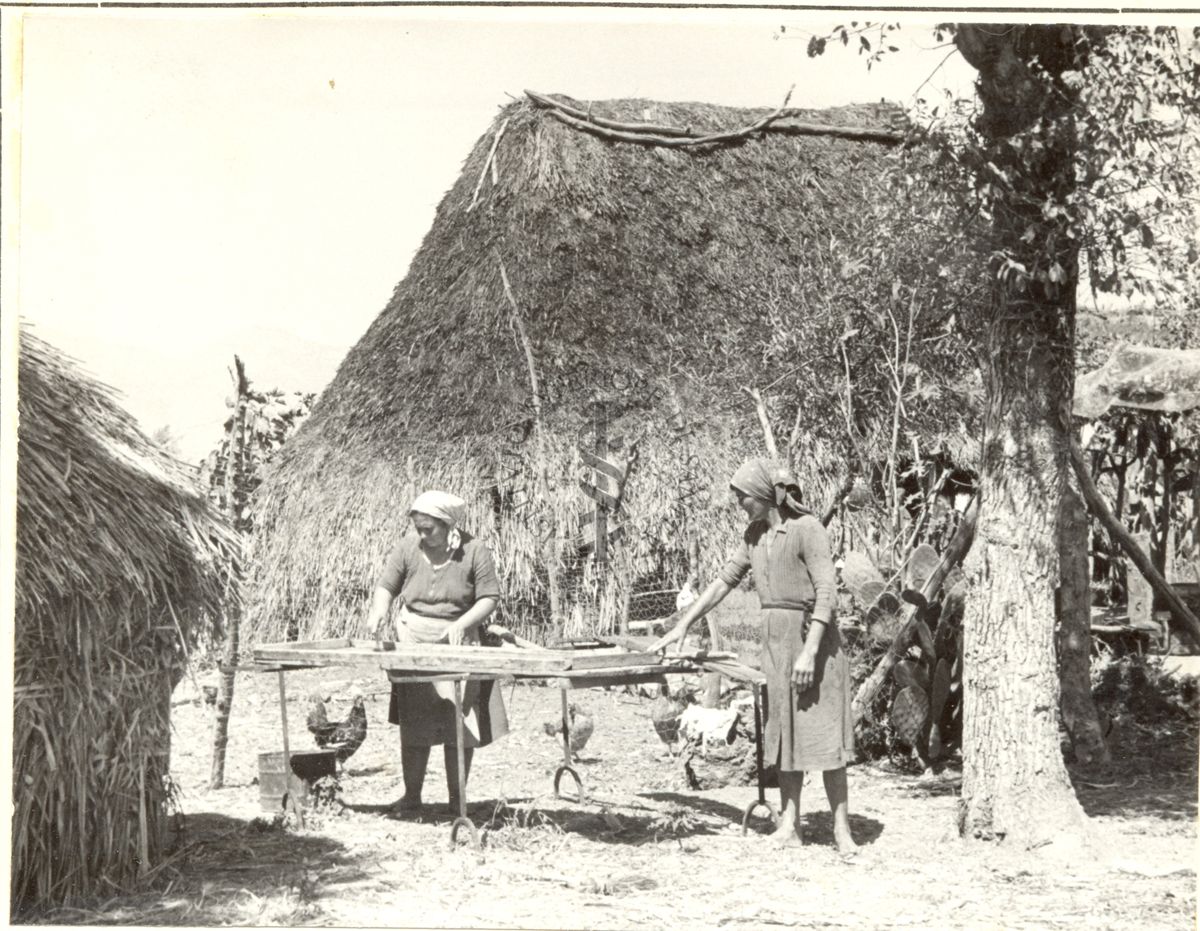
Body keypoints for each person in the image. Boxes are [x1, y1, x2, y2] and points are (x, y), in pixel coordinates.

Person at [651, 459, 857, 854]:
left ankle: (841, 829)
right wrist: (682, 624)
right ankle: (789, 825)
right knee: (783, 734)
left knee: (825, 736)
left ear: (764, 494)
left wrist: (810, 651)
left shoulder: (807, 530)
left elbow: (827, 592)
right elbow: (722, 583)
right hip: (775, 644)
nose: (739, 502)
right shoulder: (754, 536)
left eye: (743, 495)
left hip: (814, 642)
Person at [365, 490, 509, 814]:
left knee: (458, 721)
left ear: (447, 525)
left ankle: (457, 800)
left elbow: (489, 597)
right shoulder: (407, 548)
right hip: (413, 638)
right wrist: (378, 611)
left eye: (428, 529)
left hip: (458, 639)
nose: (421, 535)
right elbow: (387, 586)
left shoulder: (474, 551)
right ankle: (412, 796)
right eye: (418, 528)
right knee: (414, 721)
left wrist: (463, 623)